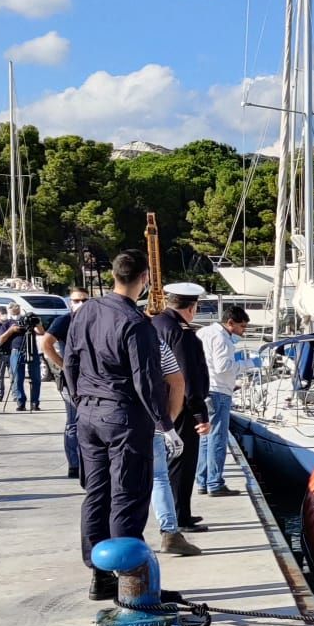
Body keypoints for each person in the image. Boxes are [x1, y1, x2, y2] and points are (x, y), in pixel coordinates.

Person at [62, 251, 186, 593]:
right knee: (127, 496)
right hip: (124, 417)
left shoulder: (86, 310)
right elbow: (146, 381)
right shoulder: (135, 323)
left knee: (97, 494)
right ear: (144, 279)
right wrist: (166, 425)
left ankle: (99, 575)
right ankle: (131, 583)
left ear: (115, 275)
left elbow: (69, 361)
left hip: (88, 413)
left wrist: (80, 400)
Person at [152, 282, 211, 534]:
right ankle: (180, 514)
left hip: (161, 403)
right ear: (192, 307)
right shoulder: (181, 332)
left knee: (170, 461)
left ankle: (179, 512)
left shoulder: (156, 324)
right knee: (183, 461)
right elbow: (187, 375)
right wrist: (200, 412)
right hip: (182, 407)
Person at [196, 302, 249, 498]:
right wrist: (248, 363)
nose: (243, 331)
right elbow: (223, 367)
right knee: (218, 438)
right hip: (219, 391)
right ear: (230, 323)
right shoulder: (223, 338)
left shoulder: (203, 332)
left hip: (205, 388)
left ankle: (202, 480)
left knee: (205, 438)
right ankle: (215, 483)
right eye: (242, 326)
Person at [41, 287, 89, 479]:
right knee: (73, 422)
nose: (81, 304)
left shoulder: (93, 319)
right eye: (77, 300)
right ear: (70, 302)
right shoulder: (64, 320)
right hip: (70, 381)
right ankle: (74, 464)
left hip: (91, 379)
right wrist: (63, 365)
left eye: (85, 300)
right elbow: (46, 343)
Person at [0, 306, 44, 411]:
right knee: (17, 378)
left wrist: (37, 321)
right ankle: (20, 402)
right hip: (16, 351)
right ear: (9, 310)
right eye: (12, 307)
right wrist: (11, 330)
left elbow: (41, 332)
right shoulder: (8, 323)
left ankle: (35, 402)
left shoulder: (27, 320)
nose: (14, 309)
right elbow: (0, 340)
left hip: (32, 350)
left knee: (36, 377)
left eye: (16, 307)